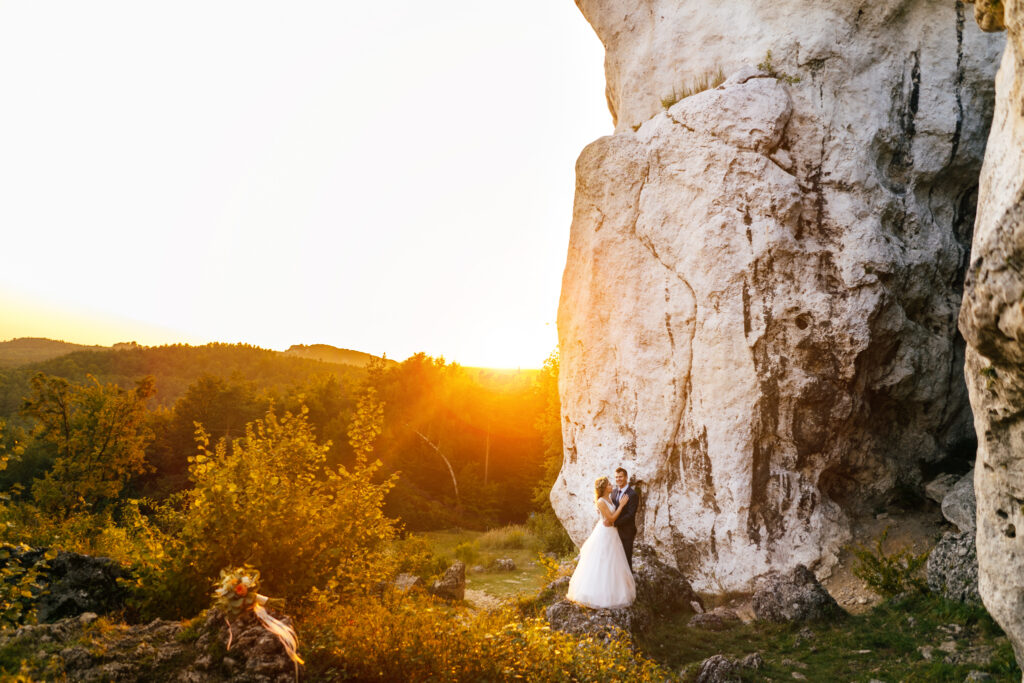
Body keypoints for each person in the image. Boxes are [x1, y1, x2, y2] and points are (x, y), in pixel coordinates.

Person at [565, 476, 636, 609]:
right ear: (604, 488)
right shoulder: (601, 501)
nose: (612, 485)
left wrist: (619, 507)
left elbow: (613, 517)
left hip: (612, 532)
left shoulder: (611, 497)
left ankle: (615, 592)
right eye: (609, 484)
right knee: (602, 561)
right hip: (604, 533)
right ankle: (597, 595)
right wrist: (621, 505)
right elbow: (611, 518)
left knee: (614, 561)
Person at [608, 467, 638, 569]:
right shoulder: (613, 492)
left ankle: (629, 583)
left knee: (626, 559)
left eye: (620, 477)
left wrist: (614, 523)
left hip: (626, 532)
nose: (618, 479)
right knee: (614, 559)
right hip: (613, 532)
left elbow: (630, 515)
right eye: (616, 477)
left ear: (626, 477)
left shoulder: (632, 494)